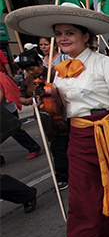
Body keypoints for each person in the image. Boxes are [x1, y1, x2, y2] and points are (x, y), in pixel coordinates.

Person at [5, 2, 109, 237]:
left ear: (86, 36)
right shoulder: (58, 71)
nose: (63, 38)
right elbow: (62, 108)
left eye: (69, 33)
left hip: (107, 132)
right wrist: (46, 100)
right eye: (59, 34)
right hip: (78, 138)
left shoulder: (105, 63)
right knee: (80, 200)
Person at [16, 49, 70, 190]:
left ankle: (66, 175)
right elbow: (21, 97)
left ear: (40, 63)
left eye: (33, 68)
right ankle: (64, 175)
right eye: (27, 70)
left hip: (62, 115)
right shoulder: (29, 80)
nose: (31, 72)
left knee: (64, 146)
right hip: (45, 119)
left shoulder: (55, 73)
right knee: (57, 147)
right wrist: (31, 100)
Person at [0, 70, 41, 163]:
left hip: (7, 111)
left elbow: (1, 93)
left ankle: (34, 147)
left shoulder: (0, 76)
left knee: (15, 131)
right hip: (4, 110)